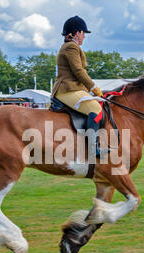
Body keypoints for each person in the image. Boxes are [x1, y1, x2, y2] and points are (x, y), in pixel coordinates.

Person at [51, 16, 106, 158]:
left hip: (73, 89)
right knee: (96, 109)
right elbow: (79, 71)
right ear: (77, 33)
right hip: (66, 90)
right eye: (84, 34)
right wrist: (94, 87)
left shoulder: (71, 47)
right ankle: (93, 149)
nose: (84, 37)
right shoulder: (71, 47)